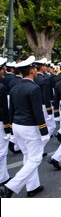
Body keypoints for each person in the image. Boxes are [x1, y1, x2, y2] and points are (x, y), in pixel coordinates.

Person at [0, 56, 50, 198]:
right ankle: (10, 187)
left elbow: (11, 109)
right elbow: (37, 112)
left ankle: (32, 186)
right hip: (30, 127)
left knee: (28, 156)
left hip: (17, 125)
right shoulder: (34, 88)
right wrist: (44, 130)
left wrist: (9, 129)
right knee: (35, 158)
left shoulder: (16, 87)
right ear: (33, 71)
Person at [0, 58, 11, 186]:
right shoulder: (1, 87)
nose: (4, 72)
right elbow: (3, 109)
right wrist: (8, 127)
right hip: (0, 121)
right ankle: (2, 177)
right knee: (2, 151)